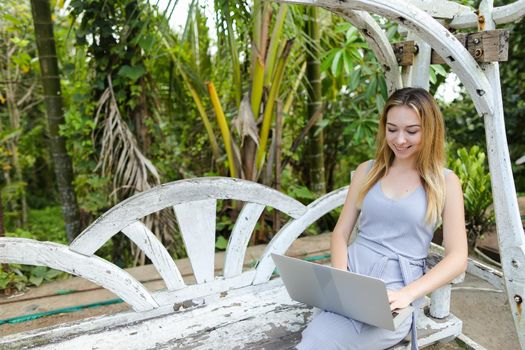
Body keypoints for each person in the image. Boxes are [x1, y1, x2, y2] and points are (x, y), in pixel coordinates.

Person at [296, 87, 468, 350]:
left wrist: (407, 294)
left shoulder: (445, 182)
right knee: (321, 337)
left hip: (396, 287)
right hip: (352, 274)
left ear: (430, 130)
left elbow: (457, 257)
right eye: (392, 129)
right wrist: (341, 281)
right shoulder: (368, 170)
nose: (400, 140)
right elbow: (340, 233)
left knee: (322, 341)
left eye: (412, 131)